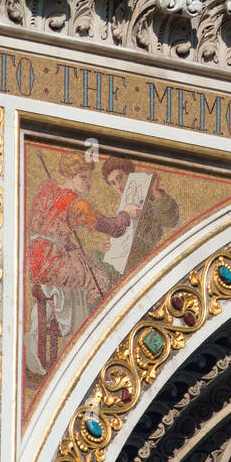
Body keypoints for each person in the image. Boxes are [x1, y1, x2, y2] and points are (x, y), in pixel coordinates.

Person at [24, 154, 140, 376]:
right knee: (102, 279)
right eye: (83, 177)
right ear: (70, 175)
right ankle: (85, 343)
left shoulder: (47, 190)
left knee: (90, 260)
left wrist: (73, 249)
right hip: (54, 265)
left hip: (37, 260)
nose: (88, 182)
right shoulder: (76, 204)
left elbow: (50, 230)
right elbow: (114, 228)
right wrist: (126, 214)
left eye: (89, 177)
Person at [101, 156, 180, 274]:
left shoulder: (150, 198)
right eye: (113, 183)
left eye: (120, 177)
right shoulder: (120, 211)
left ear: (129, 174)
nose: (118, 185)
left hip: (152, 264)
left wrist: (155, 194)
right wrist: (111, 247)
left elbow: (171, 220)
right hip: (129, 271)